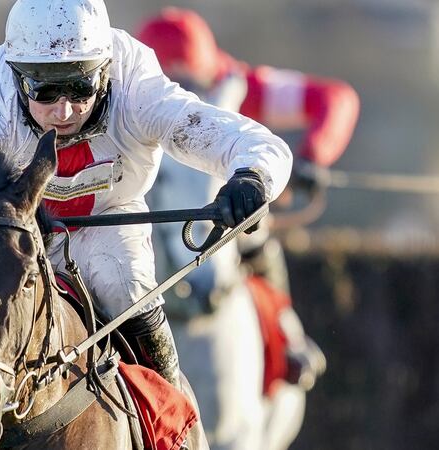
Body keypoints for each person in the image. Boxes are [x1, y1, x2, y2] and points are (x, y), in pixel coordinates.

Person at [0, 1, 293, 416]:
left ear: (105, 70)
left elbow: (251, 142)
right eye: (44, 91)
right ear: (17, 77)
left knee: (125, 287)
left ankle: (176, 426)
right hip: (9, 233)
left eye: (81, 87)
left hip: (109, 223)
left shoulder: (137, 85)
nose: (64, 111)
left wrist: (252, 176)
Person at [137, 7, 359, 450]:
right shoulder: (119, 99)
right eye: (174, 84)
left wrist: (312, 156)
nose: (186, 97)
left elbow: (336, 99)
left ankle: (285, 339)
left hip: (229, 213)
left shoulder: (239, 86)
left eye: (193, 83)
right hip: (146, 222)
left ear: (210, 74)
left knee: (256, 240)